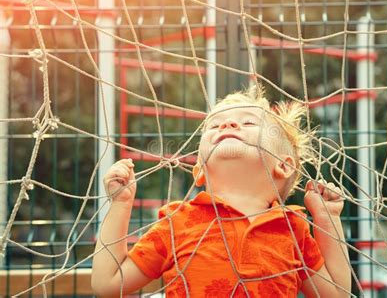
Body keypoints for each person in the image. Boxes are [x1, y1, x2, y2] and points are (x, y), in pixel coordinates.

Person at [91, 85, 351, 297]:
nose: (227, 126)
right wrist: (120, 204)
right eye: (214, 126)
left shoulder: (293, 229)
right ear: (200, 170)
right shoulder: (177, 223)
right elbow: (108, 284)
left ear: (283, 165)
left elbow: (337, 294)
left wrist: (328, 218)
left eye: (248, 122)